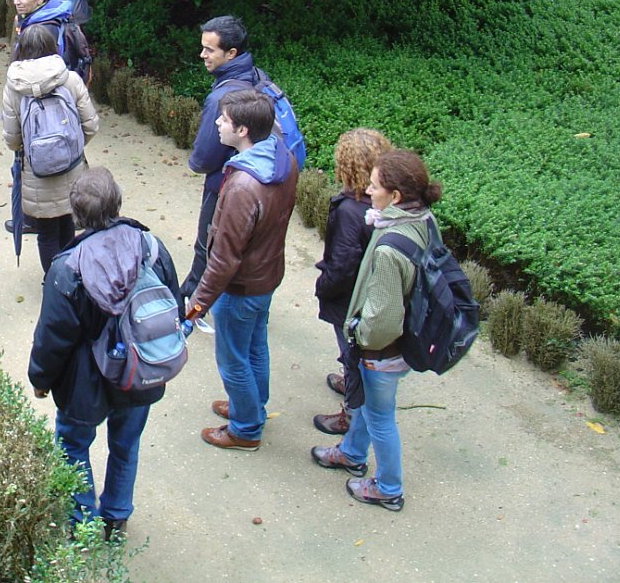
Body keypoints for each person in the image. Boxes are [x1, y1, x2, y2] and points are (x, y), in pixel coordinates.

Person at [28, 167, 182, 541]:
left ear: (75, 214)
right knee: (126, 445)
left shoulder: (67, 267)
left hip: (86, 381)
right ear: (118, 202)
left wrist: (40, 379)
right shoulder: (152, 248)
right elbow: (173, 303)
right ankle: (116, 517)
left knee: (73, 445)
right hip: (139, 370)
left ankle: (82, 521)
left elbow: (53, 337)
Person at [312, 149, 441, 512]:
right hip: (409, 338)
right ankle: (351, 453)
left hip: (383, 352)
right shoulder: (423, 219)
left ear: (395, 195)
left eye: (373, 186)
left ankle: (388, 487)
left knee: (381, 417)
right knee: (369, 406)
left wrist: (359, 338)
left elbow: (382, 319)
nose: (367, 191)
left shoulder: (388, 249)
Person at [186, 89, 297, 451]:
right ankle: (250, 406)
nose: (218, 123)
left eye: (225, 120)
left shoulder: (242, 187)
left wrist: (196, 306)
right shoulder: (282, 159)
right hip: (267, 276)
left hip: (240, 288)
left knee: (233, 359)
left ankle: (245, 429)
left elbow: (223, 259)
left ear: (243, 130)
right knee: (255, 347)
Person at [182, 16, 283, 310]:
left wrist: (196, 161)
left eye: (209, 49)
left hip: (226, 183)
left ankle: (191, 305)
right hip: (259, 179)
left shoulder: (223, 98)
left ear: (231, 54)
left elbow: (203, 158)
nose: (202, 55)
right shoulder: (256, 77)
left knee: (209, 245)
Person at [312, 128, 393, 435]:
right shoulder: (381, 204)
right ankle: (351, 385)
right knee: (357, 353)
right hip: (372, 293)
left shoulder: (350, 210)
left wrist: (323, 287)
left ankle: (350, 413)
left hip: (351, 301)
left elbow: (342, 264)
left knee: (352, 354)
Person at [1, 25, 99, 272]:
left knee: (46, 233)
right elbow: (91, 125)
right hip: (72, 168)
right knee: (68, 223)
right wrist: (71, 149)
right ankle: (72, 277)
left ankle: (54, 282)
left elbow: (12, 139)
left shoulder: (14, 88)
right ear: (52, 47)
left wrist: (32, 153)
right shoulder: (70, 80)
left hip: (36, 173)